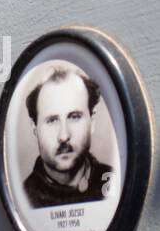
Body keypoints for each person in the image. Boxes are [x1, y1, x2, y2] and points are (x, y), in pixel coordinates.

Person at [22, 63, 112, 208]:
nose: (63, 136)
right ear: (35, 128)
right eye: (52, 120)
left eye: (74, 117)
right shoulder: (23, 200)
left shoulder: (116, 183)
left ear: (92, 121)